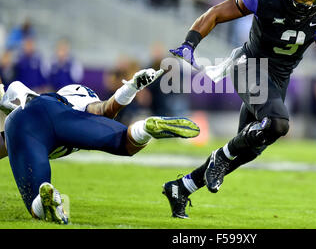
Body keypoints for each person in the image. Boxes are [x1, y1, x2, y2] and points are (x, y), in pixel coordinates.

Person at [163, 0, 316, 218]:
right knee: (278, 123)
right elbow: (218, 13)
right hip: (249, 65)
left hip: (279, 76)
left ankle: (181, 187)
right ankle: (220, 157)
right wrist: (190, 42)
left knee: (249, 149)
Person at [0, 68, 200, 224]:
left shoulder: (49, 107)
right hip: (55, 114)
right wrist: (131, 88)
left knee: (36, 199)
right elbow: (103, 109)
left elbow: (6, 145)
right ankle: (144, 129)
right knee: (125, 143)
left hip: (19, 124)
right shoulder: (74, 104)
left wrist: (132, 86)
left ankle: (49, 196)